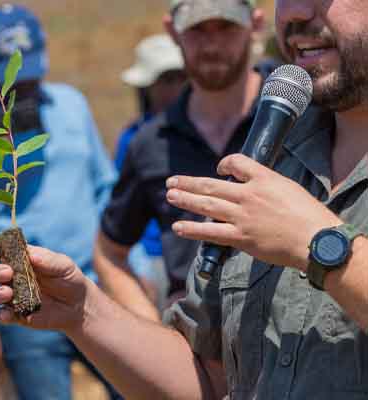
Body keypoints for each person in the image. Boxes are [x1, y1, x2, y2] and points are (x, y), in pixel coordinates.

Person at [0, 0, 368, 398]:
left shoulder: (292, 210)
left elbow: (318, 245)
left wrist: (322, 247)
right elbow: (208, 380)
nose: (294, 13)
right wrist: (83, 312)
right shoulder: (272, 160)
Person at [0, 4, 121, 399]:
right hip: (24, 298)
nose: (25, 93)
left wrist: (125, 269)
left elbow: (106, 190)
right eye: (16, 84)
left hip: (94, 286)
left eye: (30, 78)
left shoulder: (72, 105)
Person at [94, 0, 272, 321]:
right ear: (172, 31)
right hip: (200, 355)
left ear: (255, 24)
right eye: (197, 29)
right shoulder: (150, 144)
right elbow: (109, 252)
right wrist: (155, 334)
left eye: (227, 27)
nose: (212, 44)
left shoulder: (301, 114)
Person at [114, 33, 187, 307]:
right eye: (168, 80)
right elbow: (120, 206)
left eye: (182, 78)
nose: (178, 87)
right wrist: (138, 264)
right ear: (147, 87)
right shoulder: (133, 139)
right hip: (155, 257)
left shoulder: (203, 131)